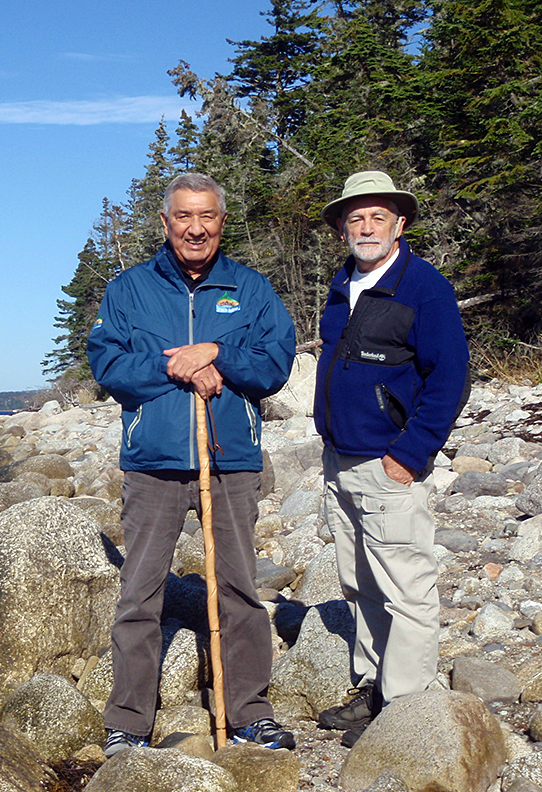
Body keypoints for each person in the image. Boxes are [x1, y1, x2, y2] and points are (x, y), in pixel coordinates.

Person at [87, 172, 296, 756]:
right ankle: (129, 721)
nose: (196, 228)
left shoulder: (250, 289)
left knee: (239, 589)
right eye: (184, 217)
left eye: (206, 216)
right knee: (140, 593)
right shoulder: (128, 290)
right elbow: (108, 366)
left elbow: (275, 361)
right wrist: (176, 365)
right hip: (153, 462)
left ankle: (249, 711)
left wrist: (218, 355)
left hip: (230, 462)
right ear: (166, 222)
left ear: (221, 221)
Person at [313, 171, 470, 747]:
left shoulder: (423, 286)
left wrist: (409, 454)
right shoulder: (342, 284)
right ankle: (374, 686)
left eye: (378, 216)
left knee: (405, 586)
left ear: (399, 224)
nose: (366, 227)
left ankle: (405, 714)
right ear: (342, 229)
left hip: (389, 461)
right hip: (339, 460)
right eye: (355, 218)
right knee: (358, 582)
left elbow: (450, 377)